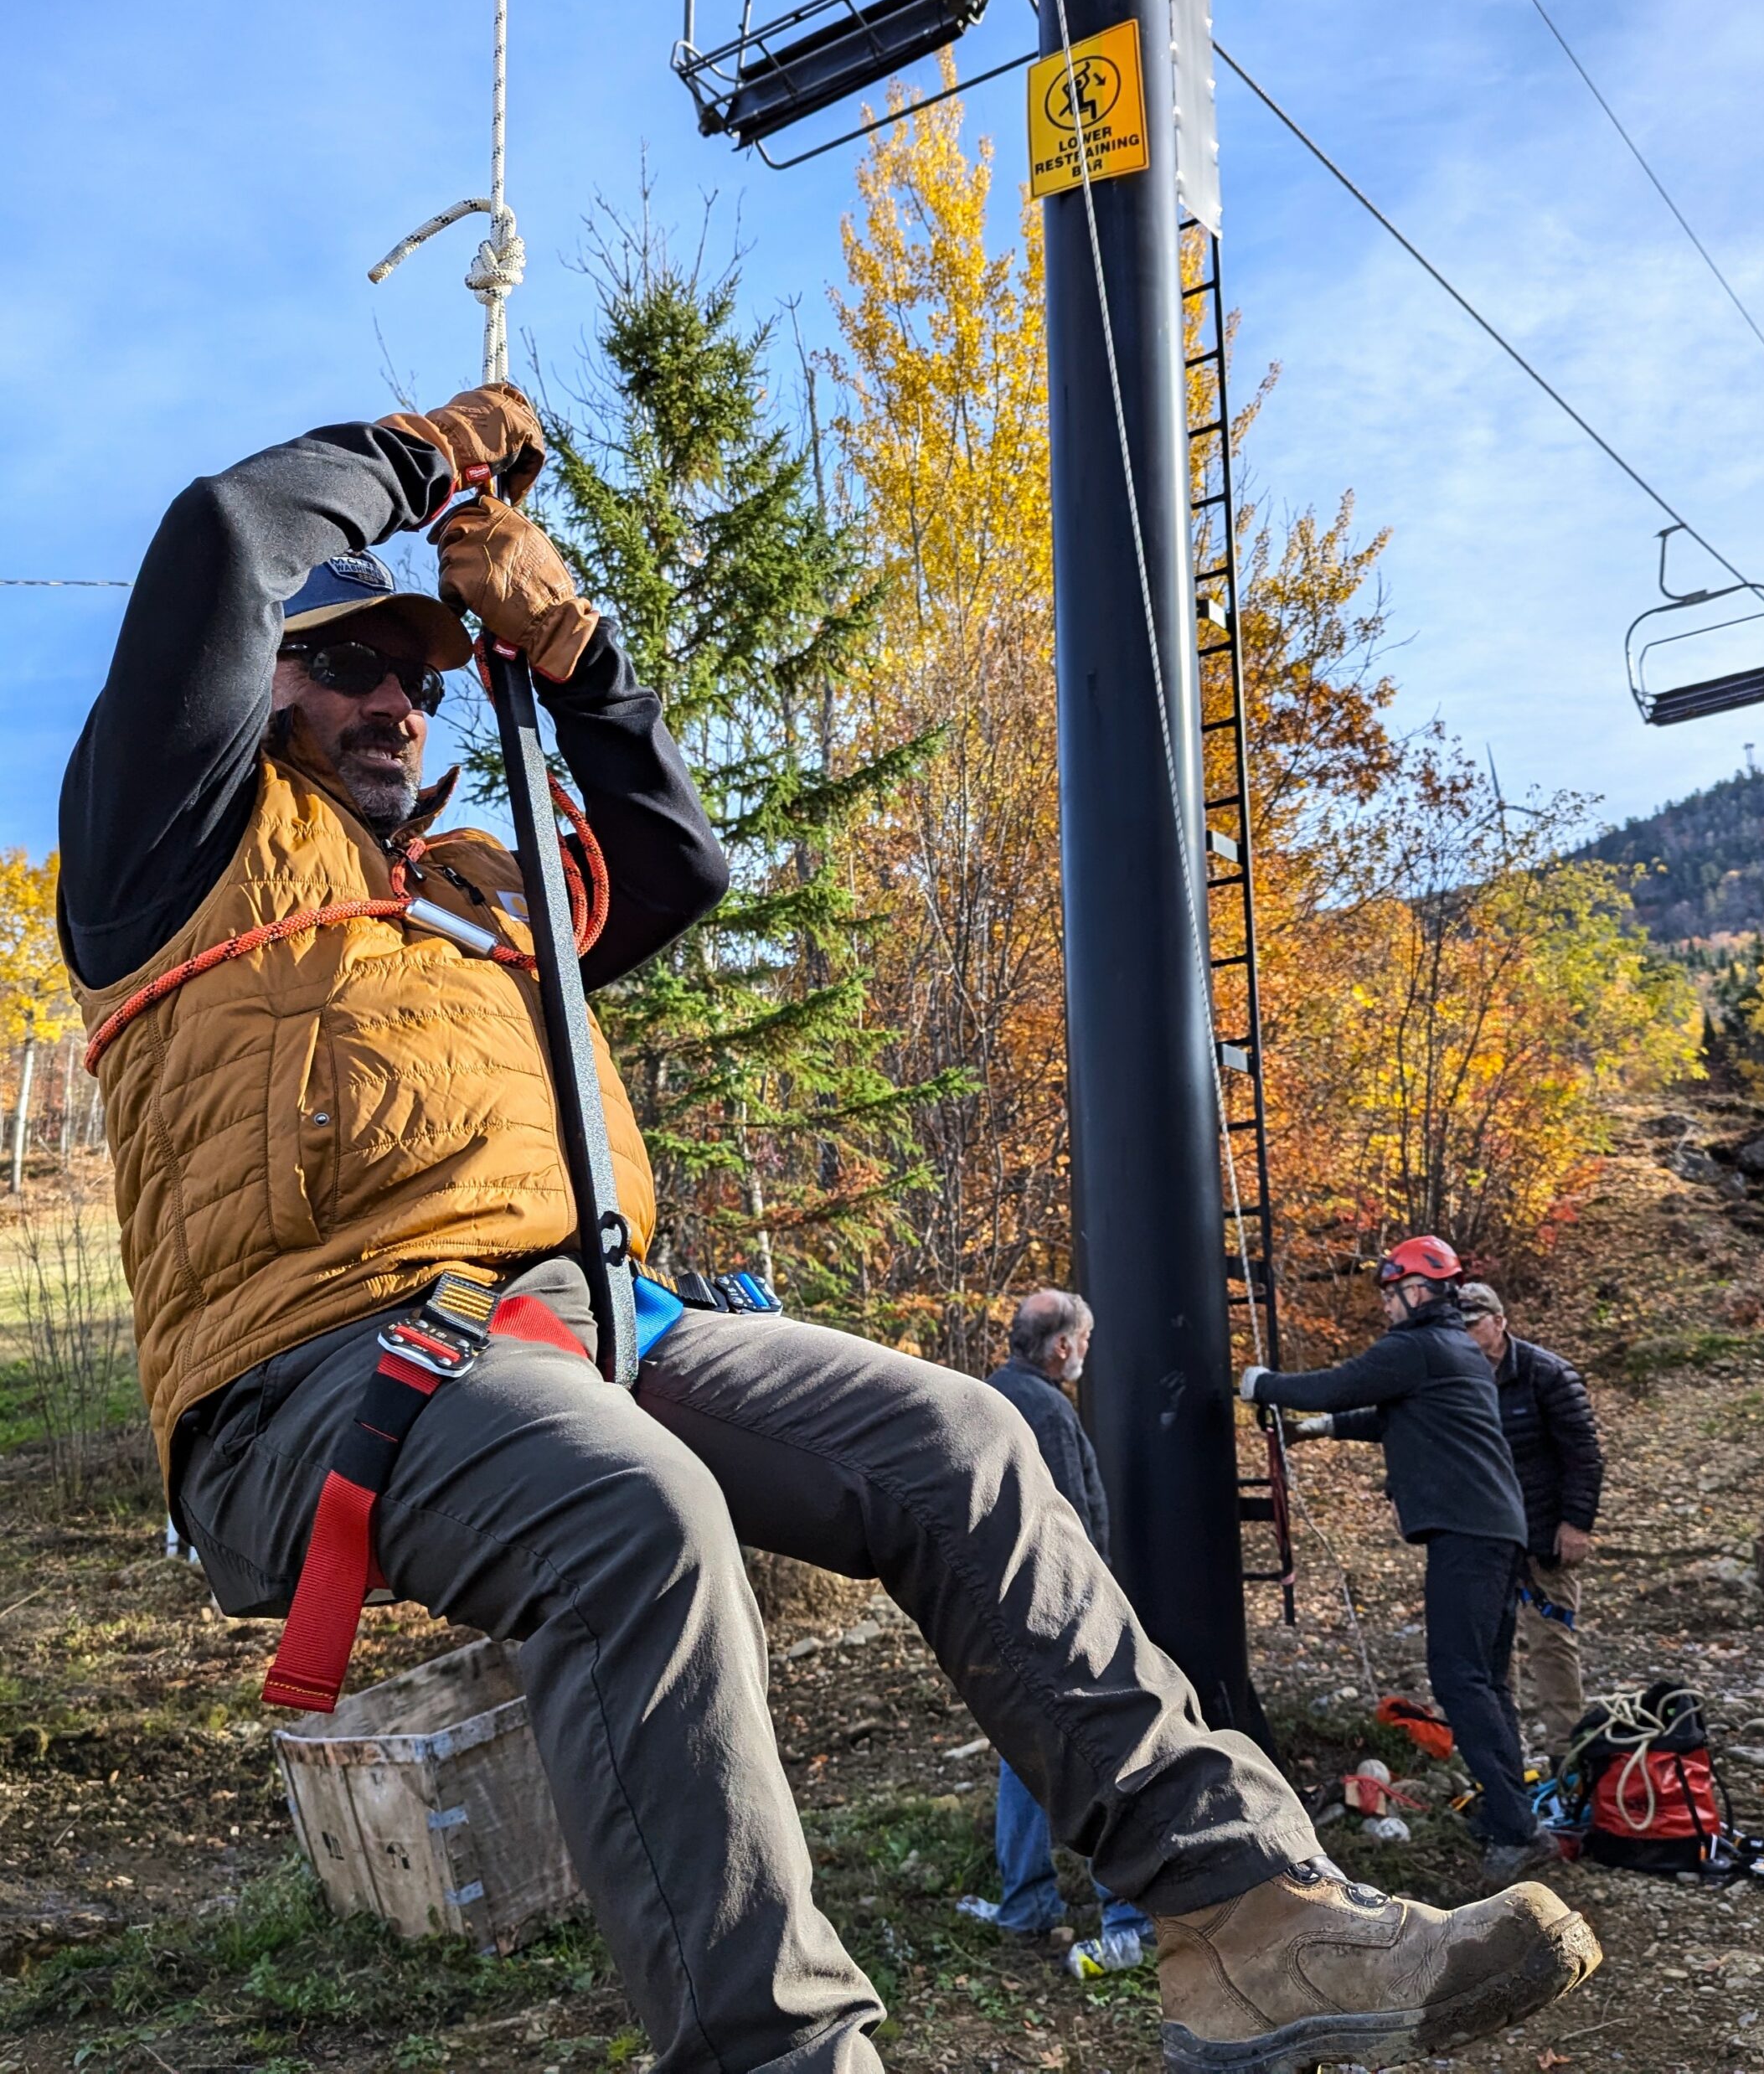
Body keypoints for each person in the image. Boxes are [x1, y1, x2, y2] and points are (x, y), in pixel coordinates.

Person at [61, 390, 1599, 2074]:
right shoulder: (175, 847)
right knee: (626, 1515)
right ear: (258, 688)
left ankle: (1244, 1917)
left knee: (960, 1442)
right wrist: (437, 455)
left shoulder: (480, 891)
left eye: (422, 679)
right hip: (315, 1366)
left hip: (589, 1324)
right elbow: (223, 536)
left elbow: (677, 865)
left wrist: (570, 653)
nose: (394, 702)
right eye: (348, 664)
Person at [1240, 1237, 1560, 1888]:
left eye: (1391, 1293)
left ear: (1419, 1290)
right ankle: (1511, 1816)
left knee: (1459, 1678)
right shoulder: (1454, 1350)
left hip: (1467, 1535)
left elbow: (1340, 1385)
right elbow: (1399, 1415)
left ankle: (1518, 1831)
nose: (1386, 1306)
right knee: (1488, 1683)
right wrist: (1325, 1432)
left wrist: (1262, 1385)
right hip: (1496, 1531)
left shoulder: (1416, 1348)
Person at [959, 1291, 1153, 1979]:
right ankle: (1127, 1922)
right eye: (1086, 1340)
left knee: (1023, 1753)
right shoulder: (1046, 1409)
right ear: (1063, 1345)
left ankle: (1026, 1906)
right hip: (1059, 1614)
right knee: (1100, 1750)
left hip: (1003, 1612)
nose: (1087, 1353)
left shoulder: (989, 1396)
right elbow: (1067, 1525)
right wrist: (1093, 1618)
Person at [1456, 1283, 1602, 1759]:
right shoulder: (1452, 1378)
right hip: (1482, 1537)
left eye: (1475, 1322)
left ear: (1500, 1321)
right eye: (1459, 1325)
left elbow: (1583, 1455)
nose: (1468, 1332)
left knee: (1553, 1645)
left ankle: (1567, 1754)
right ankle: (1507, 1756)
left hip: (1544, 1534)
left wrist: (1576, 1523)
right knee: (1491, 1653)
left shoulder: (1548, 1374)